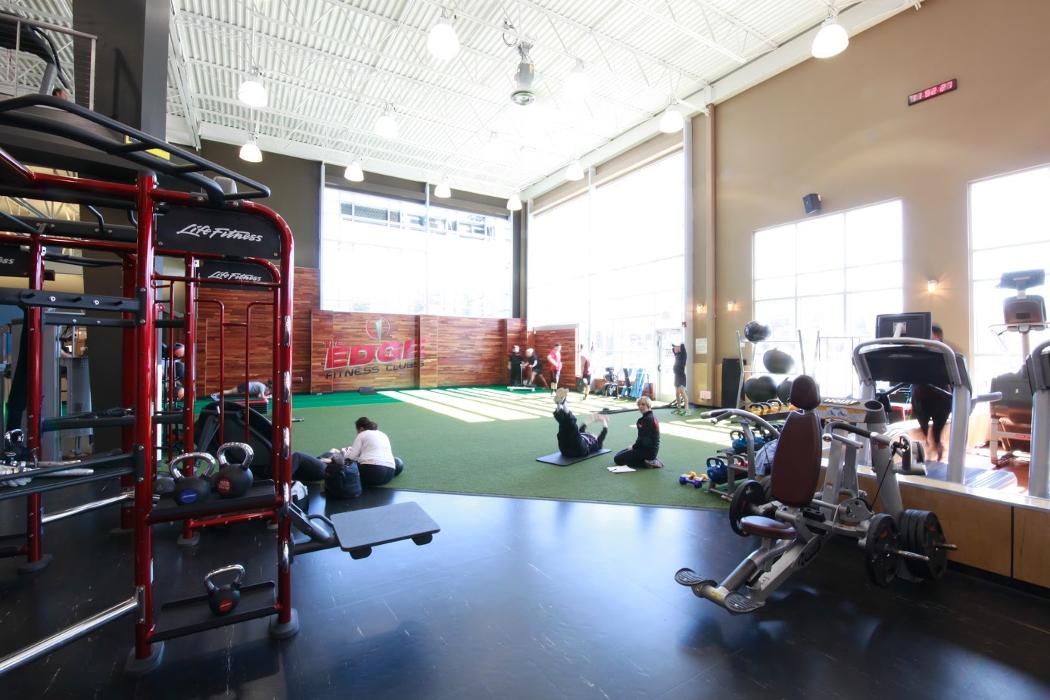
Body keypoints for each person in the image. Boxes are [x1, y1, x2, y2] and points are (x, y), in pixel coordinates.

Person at [911, 324, 953, 462]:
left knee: (937, 428)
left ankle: (937, 444)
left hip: (941, 397)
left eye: (933, 337)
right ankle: (927, 445)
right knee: (922, 421)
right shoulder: (919, 353)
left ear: (939, 337)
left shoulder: (945, 353)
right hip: (922, 397)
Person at [552, 387, 608, 459]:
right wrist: (593, 418)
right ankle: (560, 404)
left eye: (595, 435)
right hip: (565, 449)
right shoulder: (582, 434)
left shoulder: (597, 443)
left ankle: (562, 403)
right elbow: (584, 425)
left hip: (579, 450)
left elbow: (603, 433)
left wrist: (604, 421)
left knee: (573, 427)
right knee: (564, 427)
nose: (593, 434)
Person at [614, 395, 662, 469]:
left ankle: (648, 462)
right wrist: (634, 447)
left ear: (648, 405)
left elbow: (643, 439)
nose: (640, 407)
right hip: (646, 448)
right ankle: (649, 459)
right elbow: (641, 437)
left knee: (617, 459)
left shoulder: (648, 419)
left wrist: (634, 447)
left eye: (643, 404)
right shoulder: (646, 418)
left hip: (648, 451)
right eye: (639, 405)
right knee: (618, 454)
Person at [672, 343, 688, 415]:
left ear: (680, 348)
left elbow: (682, 346)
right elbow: (673, 349)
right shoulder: (677, 354)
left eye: (677, 347)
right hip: (676, 376)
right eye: (675, 348)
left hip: (681, 377)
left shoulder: (683, 355)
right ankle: (679, 408)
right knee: (677, 393)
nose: (675, 349)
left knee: (683, 393)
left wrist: (680, 345)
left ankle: (687, 410)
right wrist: (674, 346)